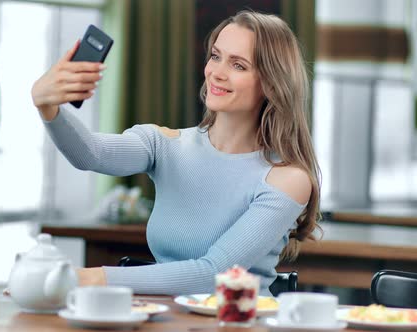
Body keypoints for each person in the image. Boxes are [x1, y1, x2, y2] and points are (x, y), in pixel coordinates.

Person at [31, 10, 320, 296]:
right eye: (216, 56)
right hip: (166, 319)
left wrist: (91, 278)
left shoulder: (286, 179)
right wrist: (48, 108)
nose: (217, 73)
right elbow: (90, 154)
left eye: (239, 65)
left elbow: (212, 274)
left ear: (272, 83)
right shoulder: (165, 145)